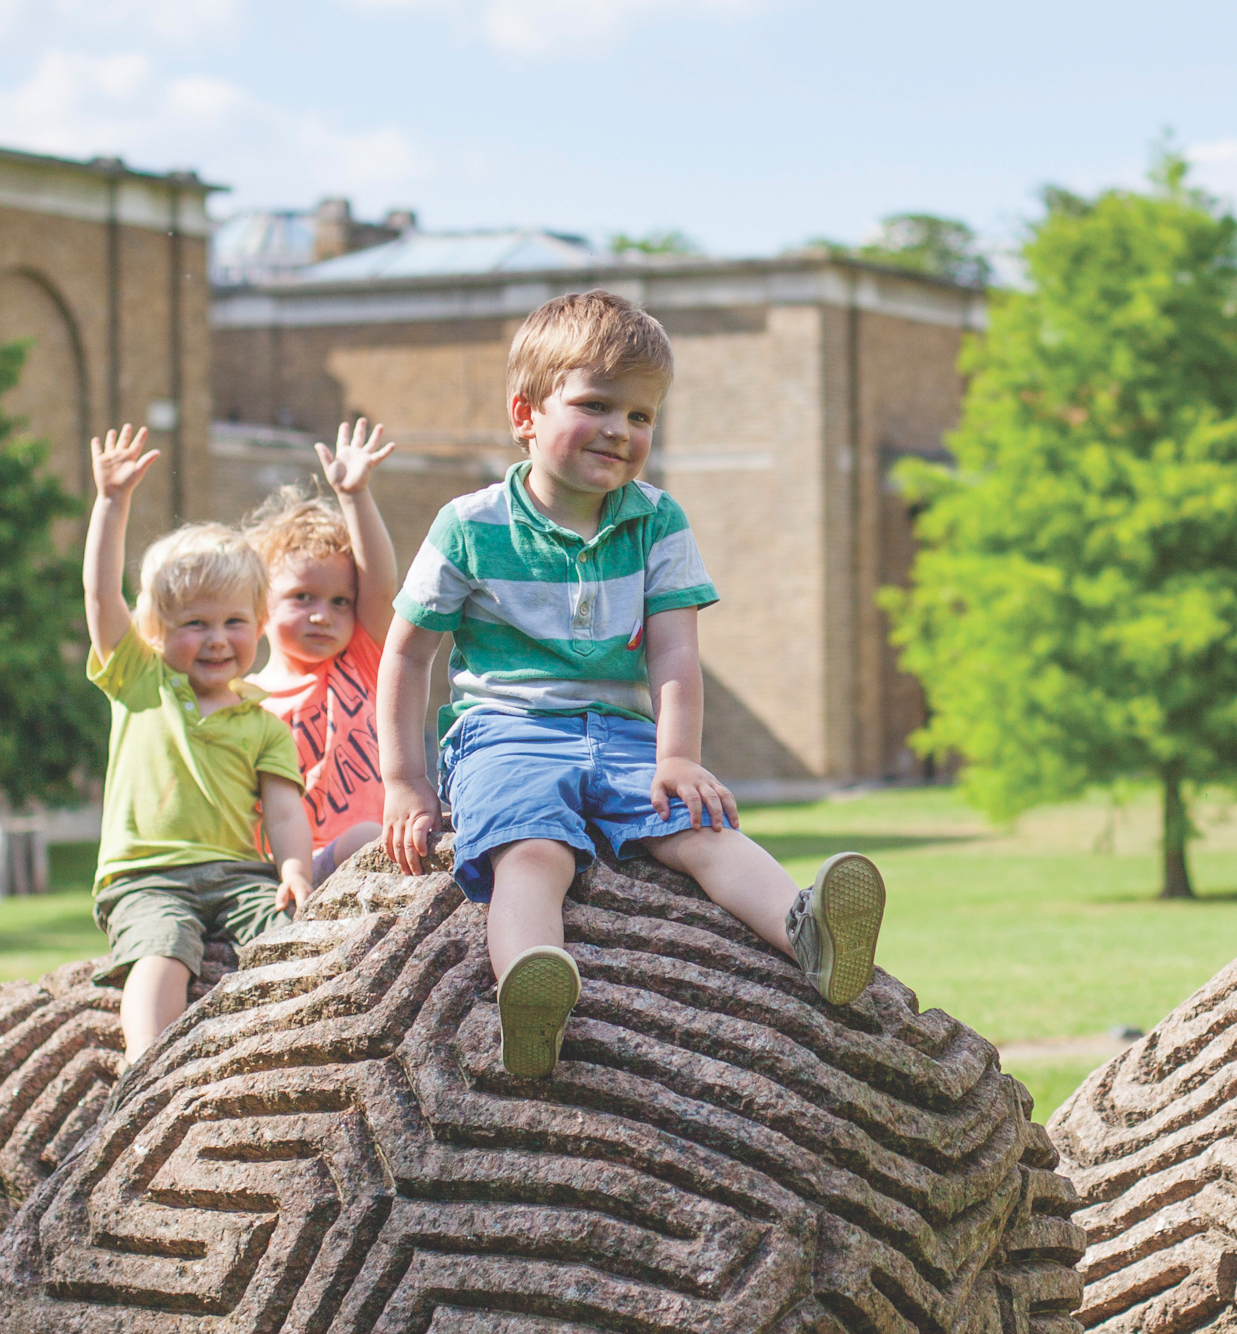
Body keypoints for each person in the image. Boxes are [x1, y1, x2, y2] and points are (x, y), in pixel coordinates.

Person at [375, 290, 886, 1077]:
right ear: (526, 413)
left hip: (622, 735)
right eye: (596, 404)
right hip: (505, 733)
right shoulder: (469, 525)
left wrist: (677, 757)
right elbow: (408, 655)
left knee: (702, 831)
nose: (620, 429)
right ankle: (530, 993)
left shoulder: (657, 521)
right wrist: (406, 782)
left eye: (642, 416)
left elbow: (675, 656)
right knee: (531, 851)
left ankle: (807, 932)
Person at [81, 424, 313, 1060]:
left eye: (234, 622)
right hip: (147, 874)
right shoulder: (141, 681)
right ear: (155, 630)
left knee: (288, 937)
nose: (216, 639)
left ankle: (281, 1048)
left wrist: (294, 869)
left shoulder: (264, 722)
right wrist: (112, 502)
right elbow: (101, 597)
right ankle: (147, 1064)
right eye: (194, 624)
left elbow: (285, 807)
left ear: (260, 626)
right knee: (162, 947)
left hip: (238, 873)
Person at [246, 416, 406, 884]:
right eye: (302, 597)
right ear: (259, 602)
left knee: (369, 833)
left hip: (367, 849)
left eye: (341, 602)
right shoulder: (243, 699)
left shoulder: (360, 659)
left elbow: (380, 583)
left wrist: (354, 496)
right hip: (286, 869)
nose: (323, 615)